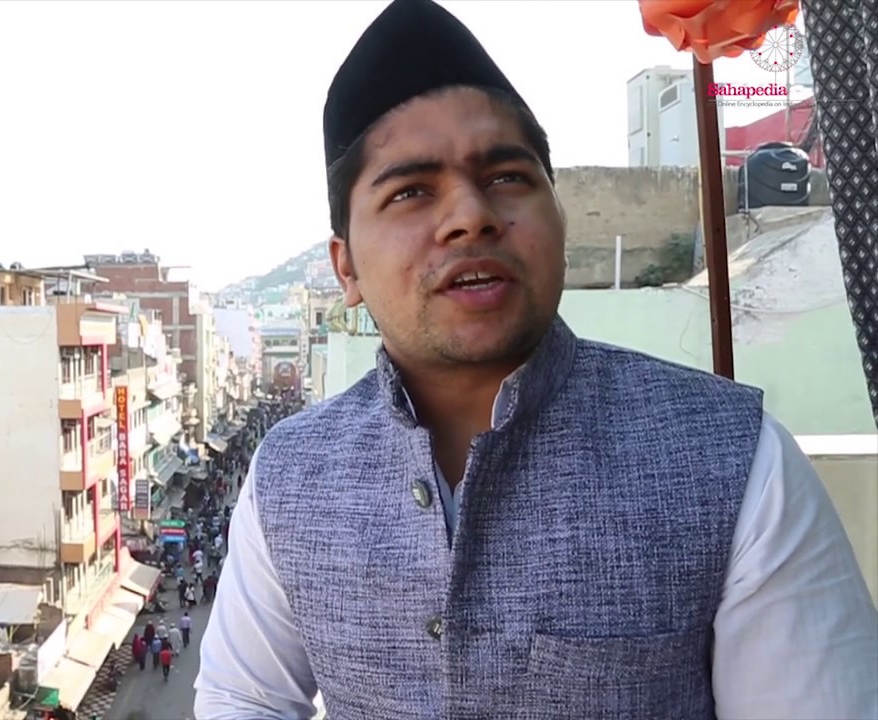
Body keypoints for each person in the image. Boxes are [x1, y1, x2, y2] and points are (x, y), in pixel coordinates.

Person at [194, 1, 878, 718]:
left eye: (508, 177)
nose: (471, 214)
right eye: (411, 191)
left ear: (558, 211)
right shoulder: (289, 476)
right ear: (347, 269)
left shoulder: (738, 462)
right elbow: (245, 697)